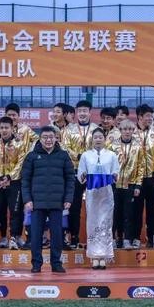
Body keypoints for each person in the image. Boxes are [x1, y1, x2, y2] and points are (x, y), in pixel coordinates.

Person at [22, 126, 74, 273]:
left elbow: (70, 179)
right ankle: (36, 264)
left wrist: (68, 198)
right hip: (37, 203)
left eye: (51, 137)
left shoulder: (63, 156)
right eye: (45, 137)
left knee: (57, 235)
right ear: (40, 139)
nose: (48, 140)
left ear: (56, 138)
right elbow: (25, 180)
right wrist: (27, 200)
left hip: (57, 202)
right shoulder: (31, 156)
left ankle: (56, 263)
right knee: (36, 236)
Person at [0, 116, 31, 249]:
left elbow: (21, 162)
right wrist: (0, 176)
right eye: (2, 127)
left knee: (15, 210)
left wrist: (9, 177)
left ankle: (14, 237)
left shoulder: (20, 143)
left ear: (12, 128)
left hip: (14, 181)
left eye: (7, 127)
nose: (4, 130)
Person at [78, 128, 120, 269]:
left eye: (100, 137)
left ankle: (105, 255)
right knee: (92, 221)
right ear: (92, 139)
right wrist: (83, 175)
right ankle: (94, 256)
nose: (98, 139)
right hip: (92, 193)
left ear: (104, 138)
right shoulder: (85, 155)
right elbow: (80, 174)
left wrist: (114, 175)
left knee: (106, 223)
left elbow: (116, 171)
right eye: (95, 137)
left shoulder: (111, 155)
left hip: (106, 193)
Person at [64, 100, 98, 248]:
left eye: (85, 111)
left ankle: (94, 238)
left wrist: (88, 159)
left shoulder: (96, 129)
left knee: (94, 207)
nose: (82, 113)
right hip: (74, 172)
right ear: (76, 113)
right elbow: (65, 147)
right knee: (74, 207)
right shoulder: (69, 129)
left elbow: (100, 146)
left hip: (92, 173)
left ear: (90, 112)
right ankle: (74, 237)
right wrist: (79, 156)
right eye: (80, 111)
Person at [109, 119, 143, 249]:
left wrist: (138, 185)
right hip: (115, 184)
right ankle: (114, 238)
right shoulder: (112, 145)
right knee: (115, 212)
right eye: (124, 129)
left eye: (130, 129)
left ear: (133, 131)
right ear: (120, 130)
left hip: (130, 184)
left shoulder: (138, 146)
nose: (127, 132)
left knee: (128, 214)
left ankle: (127, 239)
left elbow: (140, 166)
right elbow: (108, 164)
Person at [134, 104, 154, 249]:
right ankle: (135, 238)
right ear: (139, 116)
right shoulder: (131, 131)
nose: (150, 119)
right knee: (136, 210)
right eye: (147, 116)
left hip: (153, 177)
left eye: (151, 116)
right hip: (136, 178)